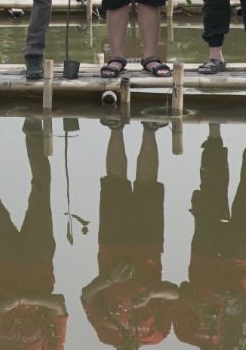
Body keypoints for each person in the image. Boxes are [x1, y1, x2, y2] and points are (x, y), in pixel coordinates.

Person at [0, 115, 68, 350]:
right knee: (40, 189)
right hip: (38, 258)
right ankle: (34, 130)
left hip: (3, 257)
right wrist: (22, 300)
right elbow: (59, 305)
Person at [81, 121, 177, 349]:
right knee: (148, 184)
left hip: (111, 246)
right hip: (149, 246)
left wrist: (109, 280)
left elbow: (87, 296)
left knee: (115, 181)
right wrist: (152, 293)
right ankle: (150, 130)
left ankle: (115, 128)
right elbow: (176, 294)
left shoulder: (106, 334)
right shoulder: (157, 335)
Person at [172, 123, 246, 347]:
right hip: (244, 260)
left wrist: (197, 308)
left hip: (205, 253)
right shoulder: (242, 343)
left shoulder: (186, 334)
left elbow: (182, 290)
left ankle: (214, 132)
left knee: (211, 190)